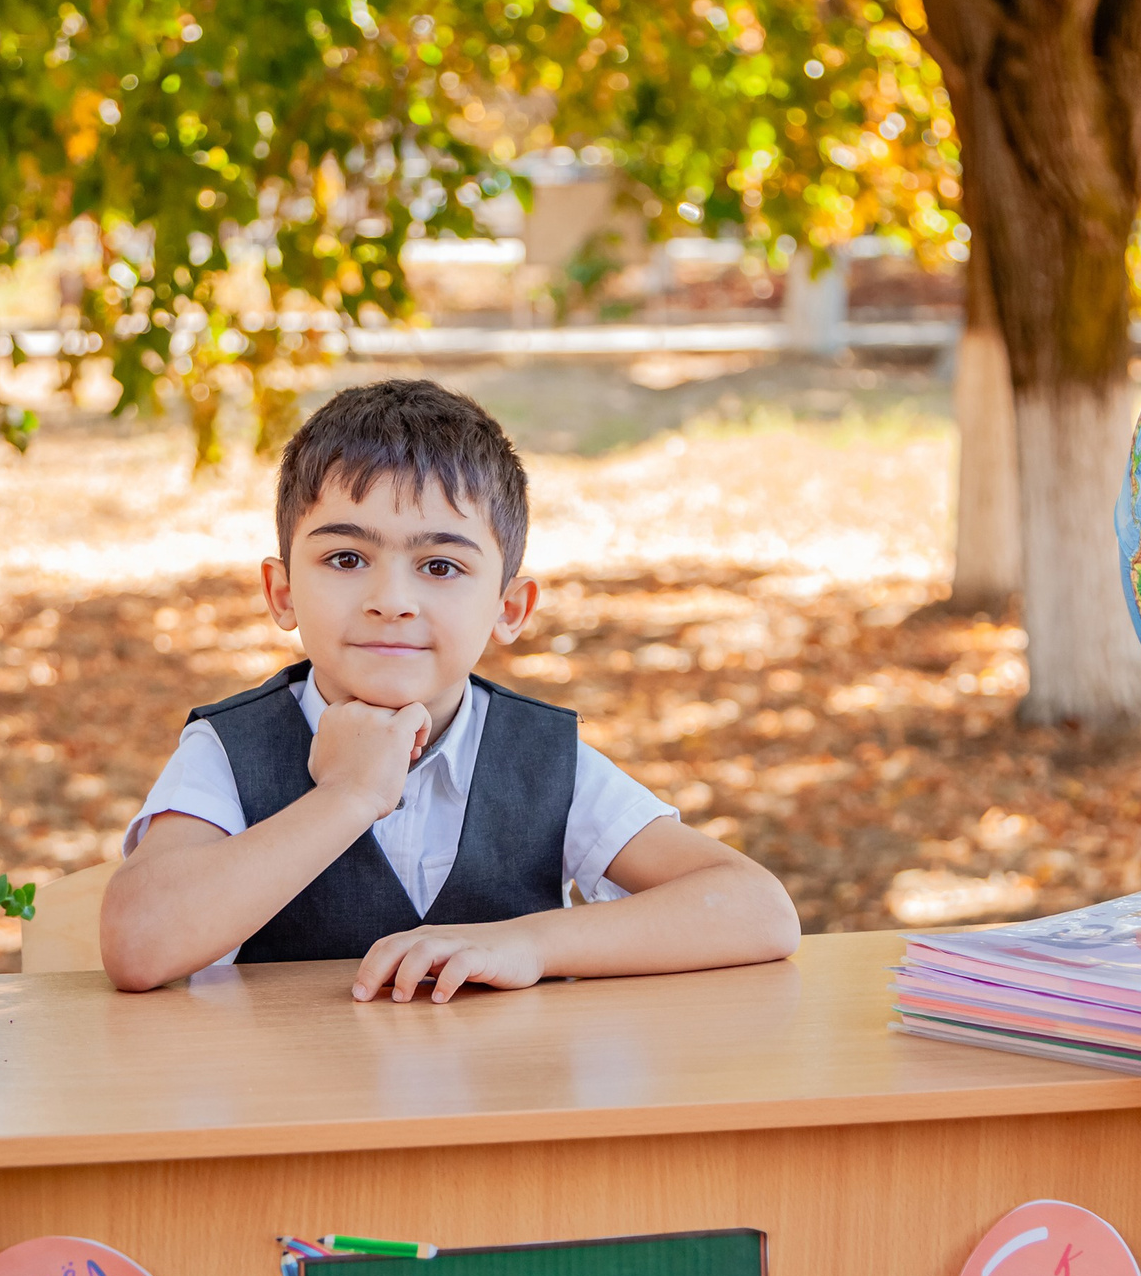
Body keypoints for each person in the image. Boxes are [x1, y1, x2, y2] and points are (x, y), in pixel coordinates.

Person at [101, 378, 800, 999]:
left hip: (497, 1129)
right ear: (282, 592)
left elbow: (757, 910)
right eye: (347, 558)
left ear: (509, 609)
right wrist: (347, 798)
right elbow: (139, 945)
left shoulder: (538, 757)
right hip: (296, 1130)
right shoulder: (229, 749)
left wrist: (529, 944)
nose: (391, 599)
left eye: (439, 567)